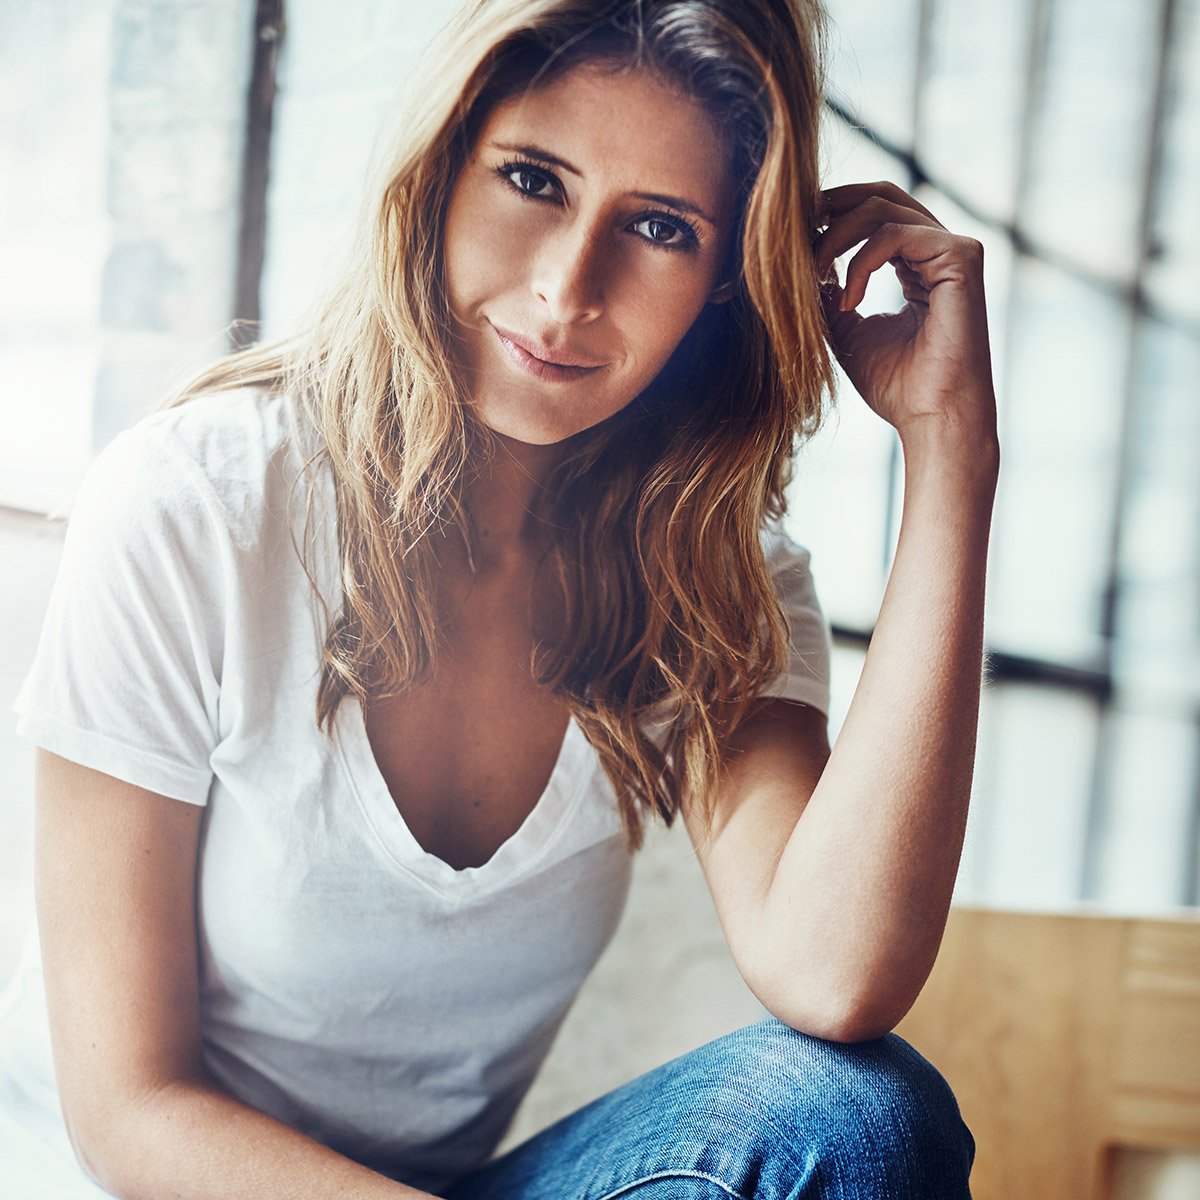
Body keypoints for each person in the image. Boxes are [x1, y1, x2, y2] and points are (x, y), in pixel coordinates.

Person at [2, 0, 998, 1195]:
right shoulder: (197, 506)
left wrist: (952, 454)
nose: (568, 288)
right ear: (439, 173)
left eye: (662, 228)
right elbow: (129, 1109)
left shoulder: (714, 585)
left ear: (726, 284)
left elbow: (836, 973)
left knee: (861, 1115)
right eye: (533, 179)